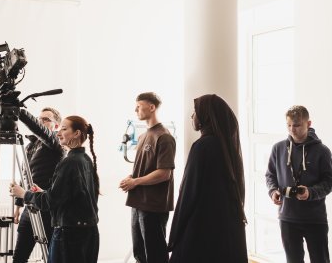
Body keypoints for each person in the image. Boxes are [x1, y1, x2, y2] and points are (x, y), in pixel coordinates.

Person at [167, 94, 247, 263]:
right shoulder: (227, 147)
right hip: (226, 228)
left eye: (195, 112)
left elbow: (188, 192)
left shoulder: (202, 146)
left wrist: (176, 232)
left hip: (201, 227)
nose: (192, 116)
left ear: (206, 116)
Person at [10, 115, 100, 263]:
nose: (58, 133)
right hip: (86, 231)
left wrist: (23, 194)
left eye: (63, 129)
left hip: (69, 233)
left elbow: (50, 201)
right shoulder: (84, 159)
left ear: (76, 133)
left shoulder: (69, 162)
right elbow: (71, 196)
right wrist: (41, 192)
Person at [266, 105, 332, 263]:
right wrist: (273, 191)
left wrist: (310, 192)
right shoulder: (278, 148)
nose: (292, 130)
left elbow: (329, 181)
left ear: (308, 124)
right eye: (288, 125)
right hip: (287, 218)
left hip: (314, 218)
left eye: (297, 125)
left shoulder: (322, 151)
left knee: (320, 260)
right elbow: (270, 175)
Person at [119, 92, 176, 263]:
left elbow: (165, 173)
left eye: (139, 105)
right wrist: (131, 177)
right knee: (140, 253)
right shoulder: (144, 136)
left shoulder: (164, 136)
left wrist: (135, 181)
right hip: (137, 202)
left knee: (155, 253)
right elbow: (144, 168)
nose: (135, 109)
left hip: (153, 205)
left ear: (151, 107)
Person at [12, 107, 64, 263]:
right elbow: (26, 174)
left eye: (46, 119)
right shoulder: (30, 145)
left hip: (47, 208)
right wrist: (18, 205)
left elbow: (41, 131)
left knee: (50, 256)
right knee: (19, 257)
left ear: (56, 126)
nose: (40, 121)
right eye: (39, 118)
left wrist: (19, 112)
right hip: (29, 207)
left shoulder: (55, 143)